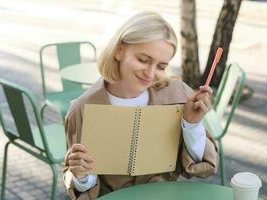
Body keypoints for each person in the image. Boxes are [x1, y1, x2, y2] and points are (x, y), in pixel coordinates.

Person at [63, 11, 218, 200]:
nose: (150, 74)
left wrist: (192, 125)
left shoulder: (178, 96)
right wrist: (82, 175)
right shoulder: (82, 109)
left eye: (161, 66)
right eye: (143, 60)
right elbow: (85, 185)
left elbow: (202, 167)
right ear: (119, 51)